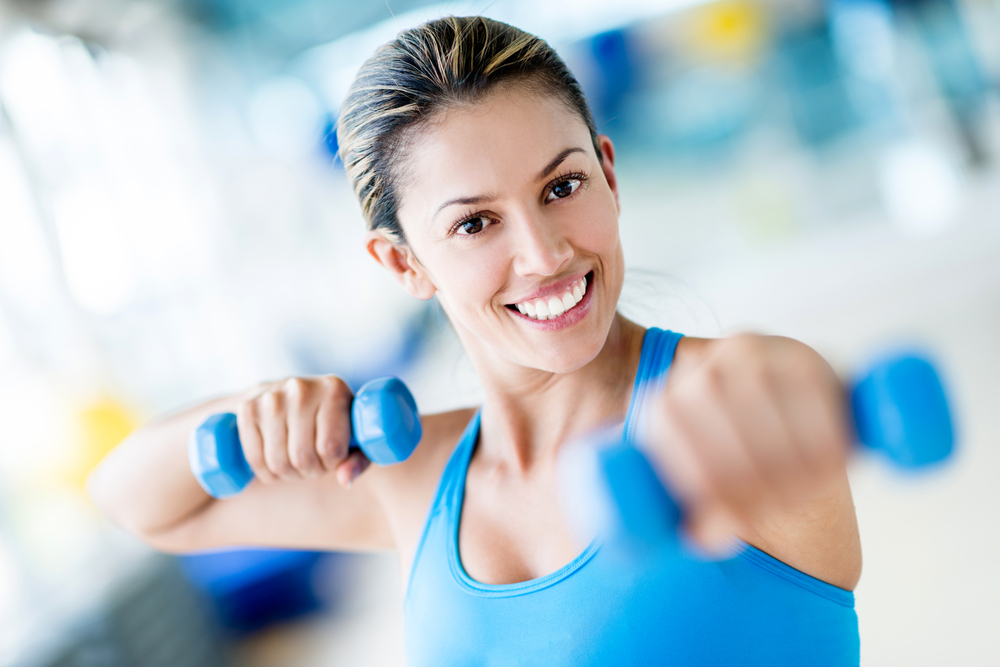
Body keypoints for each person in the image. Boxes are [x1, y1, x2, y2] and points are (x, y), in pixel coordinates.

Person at [87, 16, 862, 665]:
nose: (545, 253)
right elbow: (134, 501)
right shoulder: (411, 479)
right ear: (403, 262)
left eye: (562, 186)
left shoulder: (714, 405)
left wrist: (778, 393)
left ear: (609, 175)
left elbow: (780, 389)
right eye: (475, 222)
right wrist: (251, 414)